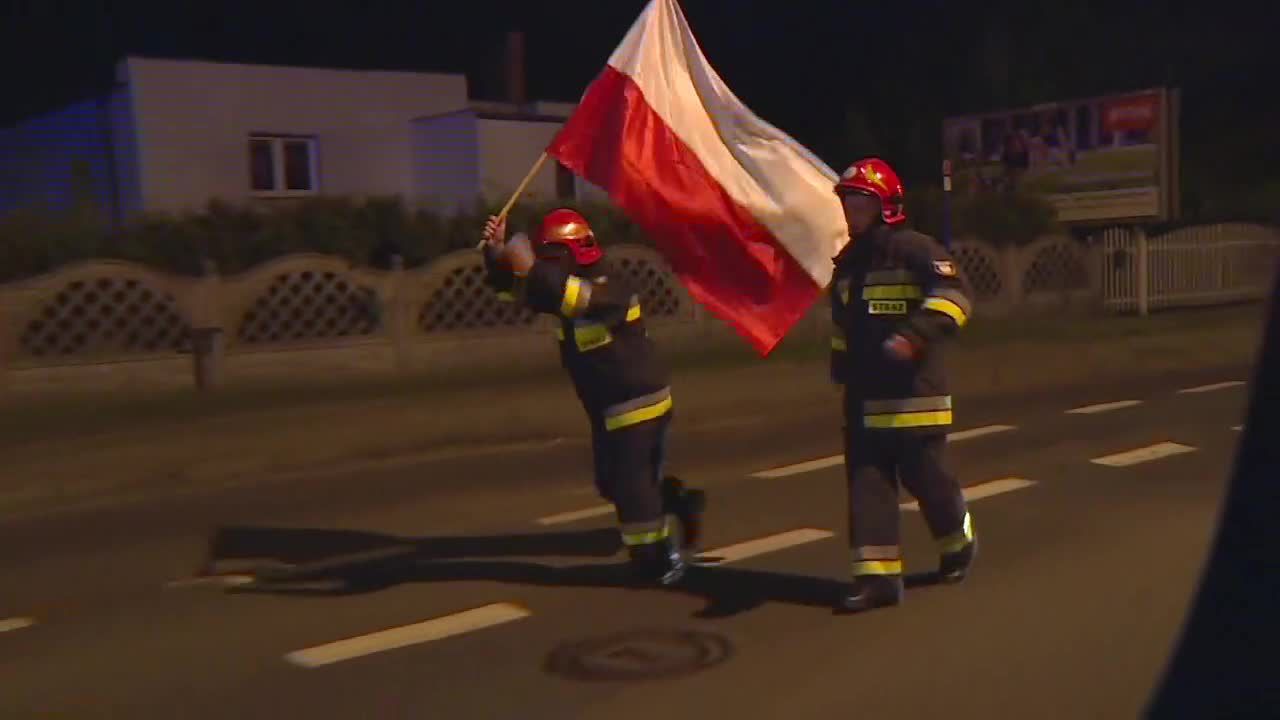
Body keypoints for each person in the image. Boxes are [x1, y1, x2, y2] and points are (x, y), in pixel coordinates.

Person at [480, 208, 705, 586]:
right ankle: (676, 501)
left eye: (550, 254)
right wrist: (496, 254)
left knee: (632, 489)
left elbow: (576, 298)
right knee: (610, 484)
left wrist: (532, 268)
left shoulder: (609, 285)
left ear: (570, 252)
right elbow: (517, 290)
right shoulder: (559, 283)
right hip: (604, 408)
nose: (545, 261)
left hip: (639, 404)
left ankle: (655, 561)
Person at [827, 157, 978, 613]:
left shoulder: (916, 250)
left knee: (929, 482)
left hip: (916, 400)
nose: (852, 211)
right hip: (864, 403)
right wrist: (840, 364)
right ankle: (878, 581)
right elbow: (843, 327)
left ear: (886, 206)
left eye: (861, 203)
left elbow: (956, 297)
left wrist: (915, 335)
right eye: (848, 202)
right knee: (867, 489)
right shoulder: (848, 265)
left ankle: (958, 542)